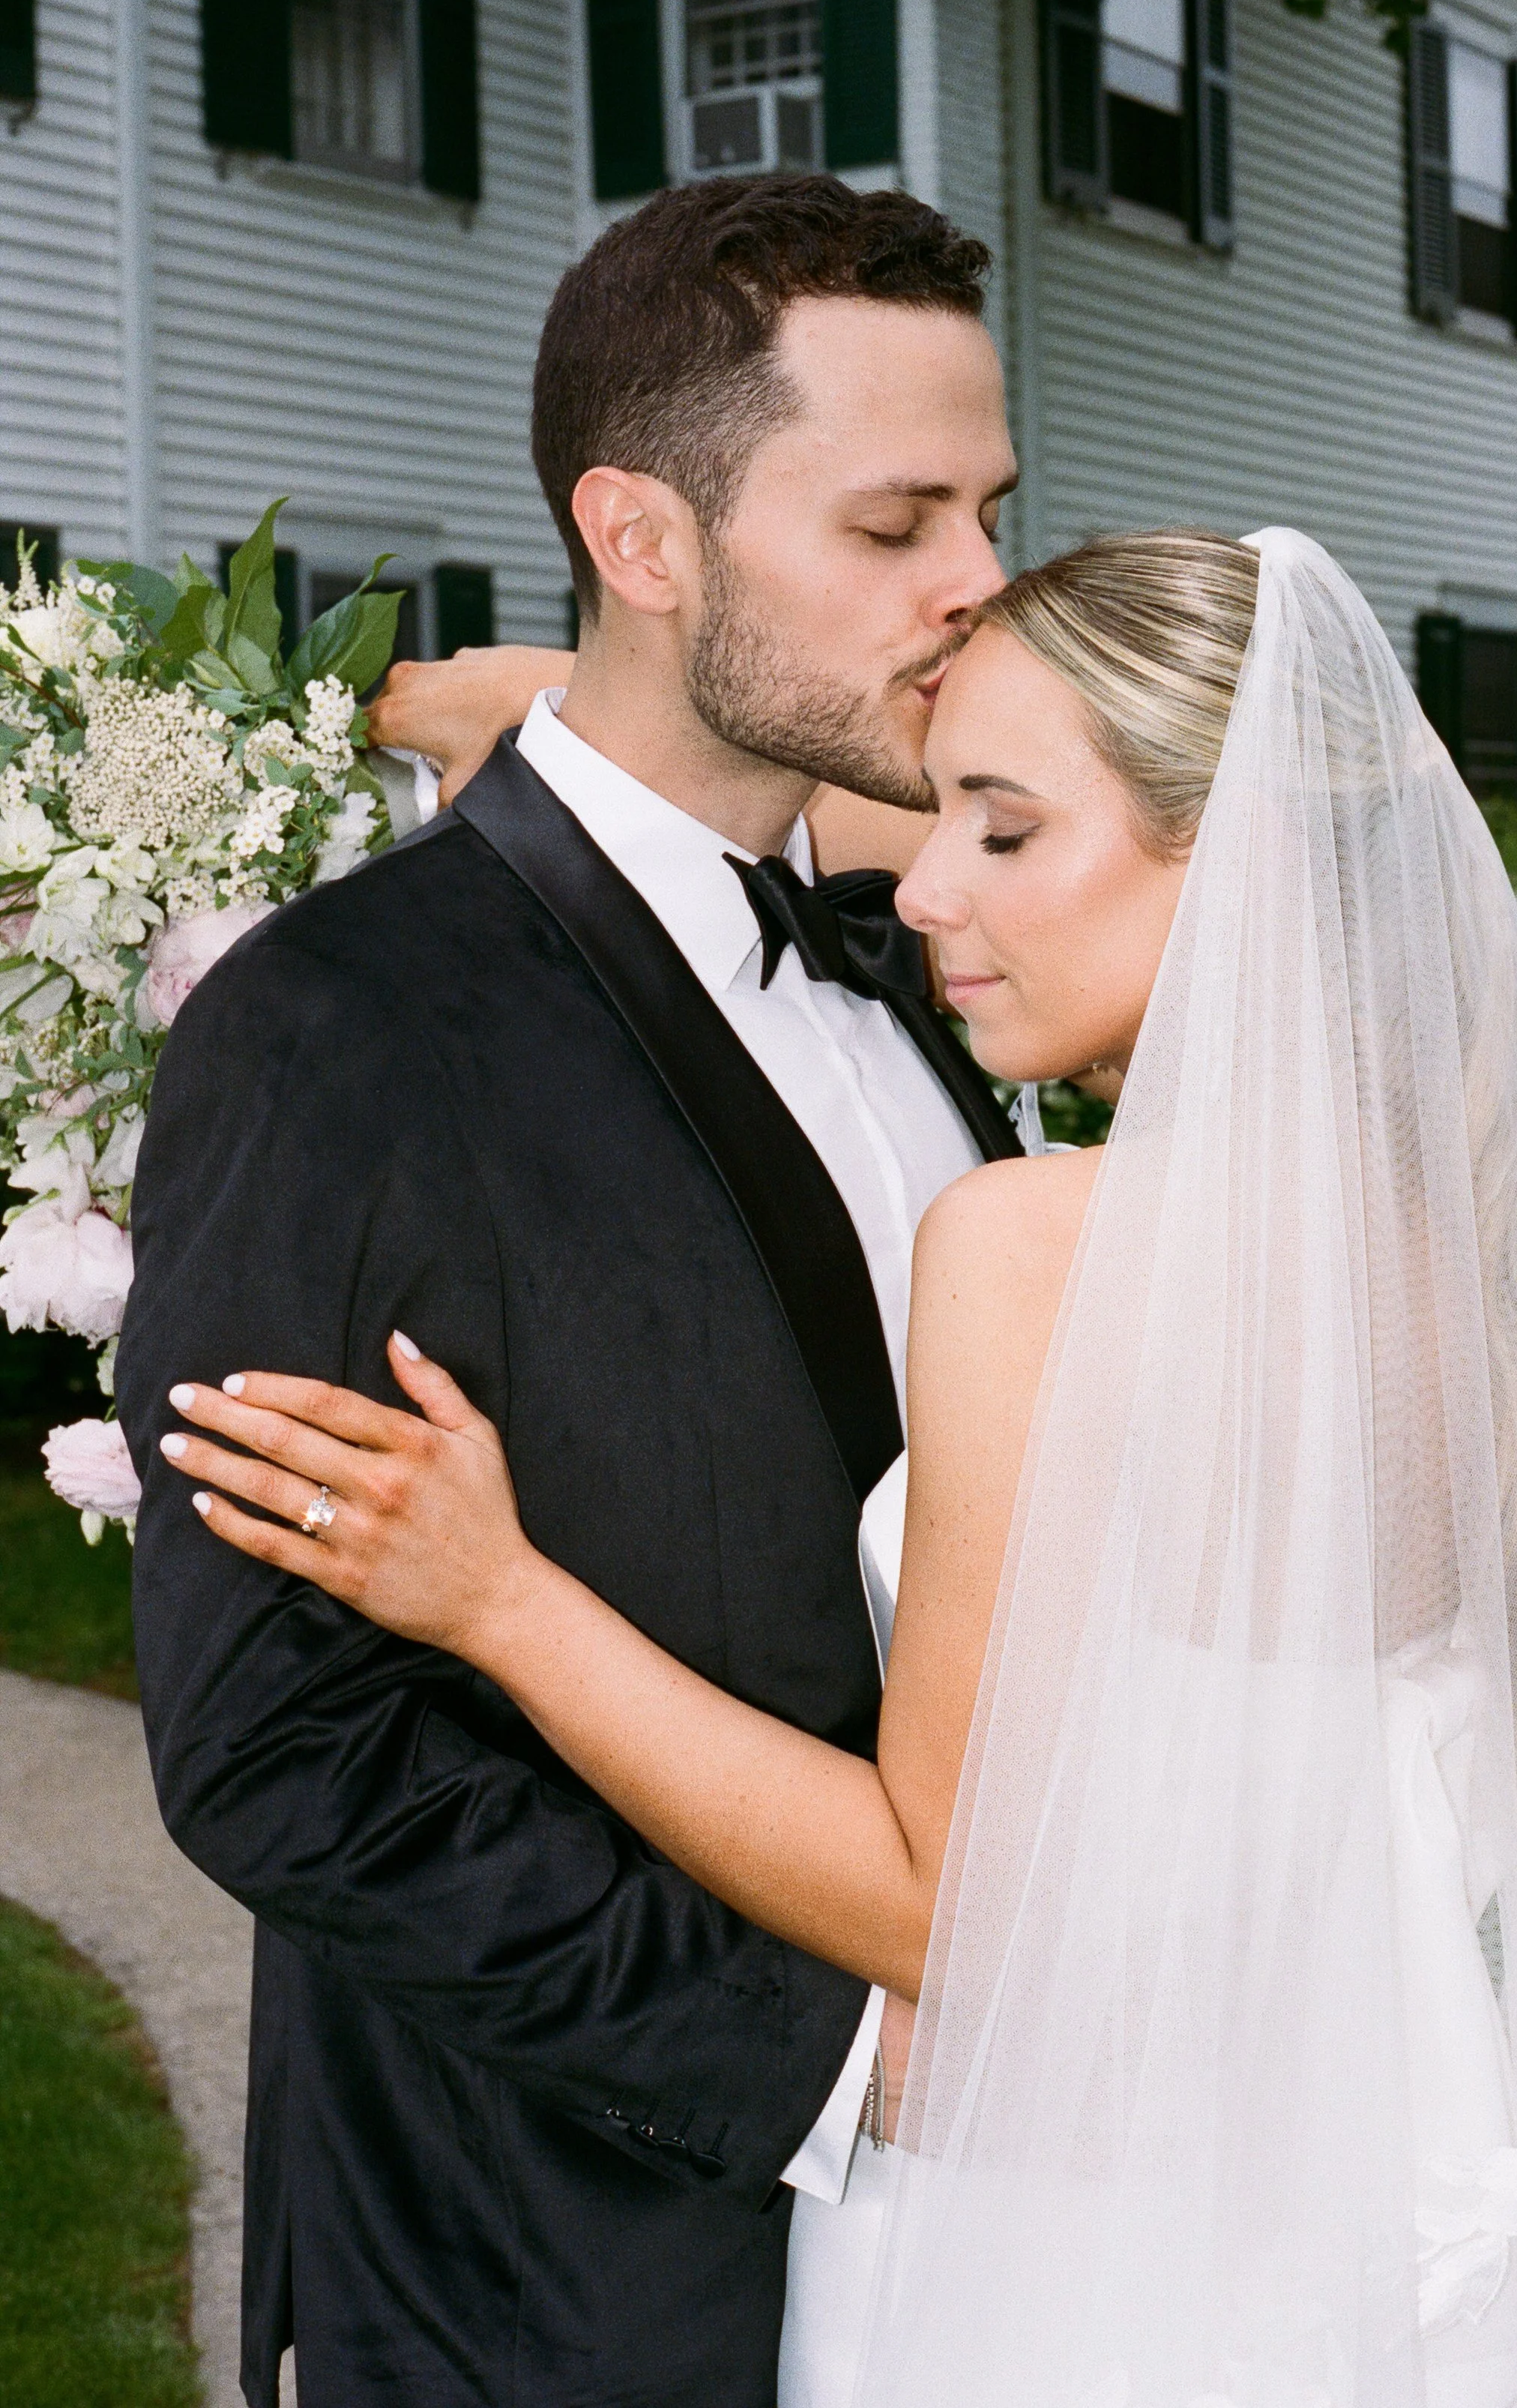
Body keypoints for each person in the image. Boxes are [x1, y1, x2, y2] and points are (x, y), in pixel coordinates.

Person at [163, 528, 1517, 2408]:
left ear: (1247, 851)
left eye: (1002, 830)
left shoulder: (1036, 1251)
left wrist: (501, 1600)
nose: (929, 883)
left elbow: (938, 1901)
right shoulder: (1480, 1234)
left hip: (1078, 2253)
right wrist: (530, 703)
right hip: (1387, 2179)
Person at [118, 171, 1026, 2408]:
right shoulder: (337, 1024)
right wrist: (821, 2055)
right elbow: (280, 1748)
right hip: (560, 2282)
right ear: (644, 539)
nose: (981, 588)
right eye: (897, 521)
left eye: (992, 510)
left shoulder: (939, 969)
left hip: (991, 2251)